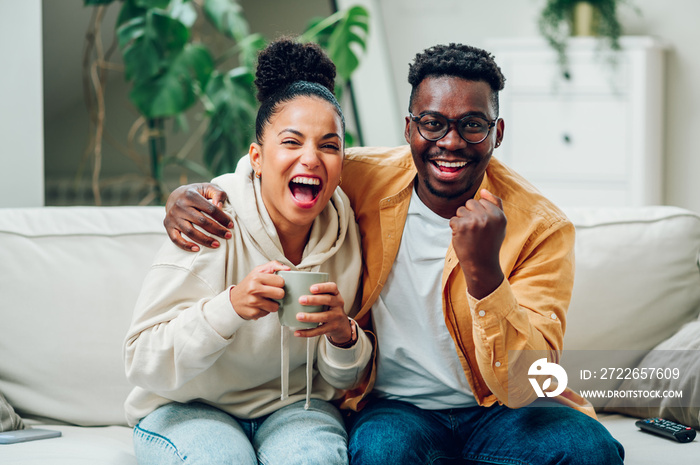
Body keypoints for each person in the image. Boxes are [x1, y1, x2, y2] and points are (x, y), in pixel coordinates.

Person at [162, 43, 625, 464]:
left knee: (592, 451)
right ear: (409, 127)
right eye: (432, 123)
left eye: (473, 125)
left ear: (497, 132)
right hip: (395, 409)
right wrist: (191, 194)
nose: (451, 142)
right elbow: (280, 164)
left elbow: (529, 382)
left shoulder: (543, 228)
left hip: (499, 410)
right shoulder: (361, 176)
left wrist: (486, 274)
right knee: (383, 452)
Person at [123, 38, 372, 465]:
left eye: (329, 146)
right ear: (256, 157)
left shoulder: (346, 231)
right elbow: (143, 361)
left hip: (295, 410)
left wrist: (343, 335)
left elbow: (339, 379)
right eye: (291, 142)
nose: (311, 158)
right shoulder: (207, 217)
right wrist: (231, 307)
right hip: (187, 409)